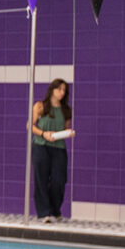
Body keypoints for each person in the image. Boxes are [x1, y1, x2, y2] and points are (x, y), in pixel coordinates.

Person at [29, 78, 74, 222]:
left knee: (59, 180)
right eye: (59, 89)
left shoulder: (66, 110)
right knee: (41, 179)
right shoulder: (40, 106)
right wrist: (43, 133)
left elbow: (65, 128)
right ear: (52, 89)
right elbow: (30, 125)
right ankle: (44, 213)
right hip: (41, 146)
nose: (62, 93)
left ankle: (55, 210)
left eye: (64, 91)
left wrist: (68, 133)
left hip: (58, 147)